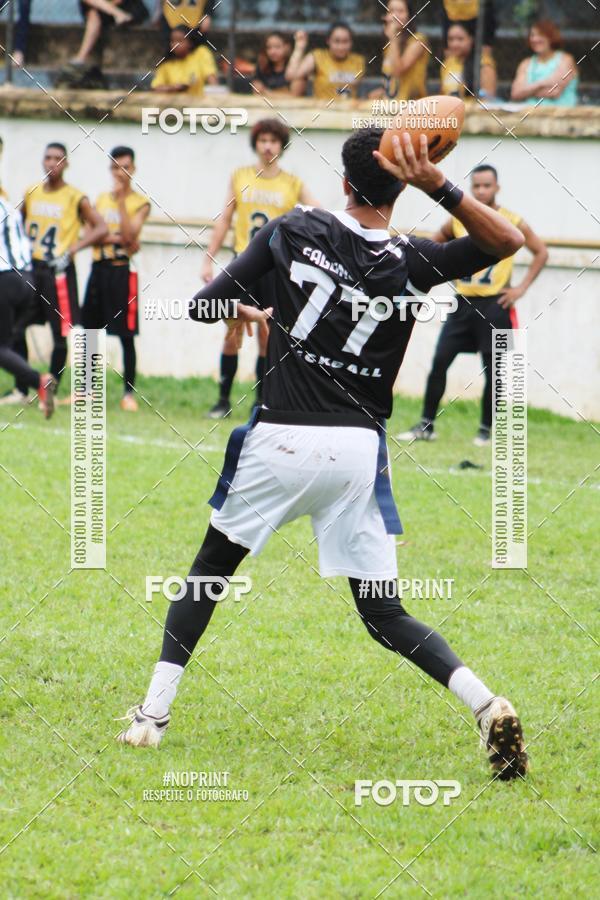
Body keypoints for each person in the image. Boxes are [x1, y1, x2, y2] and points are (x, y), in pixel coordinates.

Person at [117, 127, 530, 784]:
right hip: (358, 453)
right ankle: (484, 702)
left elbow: (204, 308)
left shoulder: (294, 227)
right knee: (383, 611)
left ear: (342, 182)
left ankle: (150, 718)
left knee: (208, 573)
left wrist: (262, 311)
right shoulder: (412, 255)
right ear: (402, 188)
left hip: (283, 436)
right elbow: (505, 242)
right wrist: (439, 186)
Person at [397, 164, 548, 446]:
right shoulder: (458, 220)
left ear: (497, 188)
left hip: (495, 306)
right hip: (462, 304)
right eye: (476, 186)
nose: (481, 191)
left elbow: (541, 251)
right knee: (440, 361)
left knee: (494, 370)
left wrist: (520, 289)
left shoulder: (511, 220)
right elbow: (433, 247)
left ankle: (485, 431)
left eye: (486, 186)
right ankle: (426, 426)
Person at [201, 118, 317, 419]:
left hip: (274, 269)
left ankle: (261, 400)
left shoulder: (293, 183)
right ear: (256, 143)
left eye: (274, 141)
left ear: (282, 146)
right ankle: (222, 399)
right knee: (231, 327)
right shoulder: (240, 176)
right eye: (263, 140)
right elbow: (224, 219)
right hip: (242, 264)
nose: (268, 146)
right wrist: (208, 257)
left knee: (267, 333)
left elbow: (318, 215)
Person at [0, 143, 106, 407]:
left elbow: (101, 227)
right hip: (31, 269)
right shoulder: (32, 192)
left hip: (58, 271)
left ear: (66, 164)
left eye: (58, 159)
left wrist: (72, 251)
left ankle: (51, 390)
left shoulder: (75, 197)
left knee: (60, 333)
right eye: (47, 158)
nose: (51, 163)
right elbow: (16, 225)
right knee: (15, 329)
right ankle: (22, 387)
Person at [81, 146, 151, 412]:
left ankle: (129, 393)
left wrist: (121, 201)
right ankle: (87, 389)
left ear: (133, 169)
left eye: (125, 167)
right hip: (98, 268)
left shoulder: (140, 203)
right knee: (89, 331)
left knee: (125, 334)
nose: (120, 173)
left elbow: (130, 236)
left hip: (122, 272)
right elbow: (91, 233)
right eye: (115, 167)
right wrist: (116, 239)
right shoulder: (99, 199)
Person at [0, 195, 56, 418]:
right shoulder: (7, 203)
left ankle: (38, 382)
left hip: (5, 280)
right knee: (10, 340)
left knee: (1, 347)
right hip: (27, 279)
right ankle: (30, 385)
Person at [57, 0, 148, 89]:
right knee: (92, 12)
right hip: (105, 12)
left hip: (129, 8)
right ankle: (80, 60)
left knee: (94, 10)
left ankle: (80, 58)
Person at [285, 22, 365, 101]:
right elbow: (291, 76)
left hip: (349, 110)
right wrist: (299, 48)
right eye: (337, 41)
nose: (341, 47)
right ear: (328, 41)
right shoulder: (318, 56)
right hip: (323, 110)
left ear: (351, 42)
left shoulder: (358, 60)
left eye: (345, 42)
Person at [370, 0, 430, 102]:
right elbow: (393, 79)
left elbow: (398, 71)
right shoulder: (390, 44)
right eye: (391, 11)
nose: (395, 15)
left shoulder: (418, 41)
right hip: (391, 105)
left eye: (400, 11)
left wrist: (393, 37)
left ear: (409, 17)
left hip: (413, 107)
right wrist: (383, 92)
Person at [511, 20, 579, 107]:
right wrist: (543, 83)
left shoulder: (565, 60)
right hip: (531, 115)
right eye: (532, 35)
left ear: (551, 37)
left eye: (540, 35)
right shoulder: (526, 63)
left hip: (562, 116)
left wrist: (526, 90)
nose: (535, 39)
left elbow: (555, 91)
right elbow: (516, 93)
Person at [151, 26, 218, 96]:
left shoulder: (201, 53)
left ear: (190, 43)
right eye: (172, 41)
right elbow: (155, 88)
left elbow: (211, 78)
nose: (175, 45)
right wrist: (173, 88)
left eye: (180, 40)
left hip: (198, 103)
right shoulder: (166, 63)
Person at [440, 21, 497, 100]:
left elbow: (489, 97)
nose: (454, 44)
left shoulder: (484, 63)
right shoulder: (447, 63)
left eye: (460, 39)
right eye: (451, 39)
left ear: (471, 39)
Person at [250, 31, 305, 97]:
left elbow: (295, 96)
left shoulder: (296, 66)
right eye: (269, 47)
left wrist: (266, 92)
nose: (273, 51)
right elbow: (257, 93)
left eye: (277, 47)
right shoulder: (262, 66)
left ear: (287, 47)